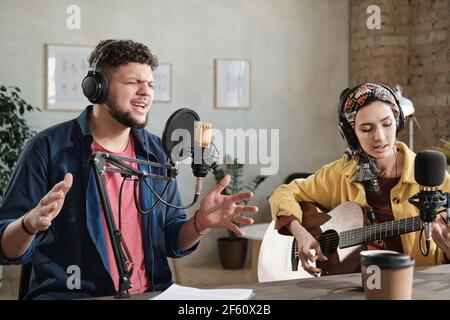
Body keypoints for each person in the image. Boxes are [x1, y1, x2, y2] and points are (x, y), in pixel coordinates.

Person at [0, 39, 258, 299]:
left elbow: (172, 240)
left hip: (151, 294)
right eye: (133, 82)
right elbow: (6, 248)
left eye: (151, 85)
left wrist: (199, 224)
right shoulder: (47, 148)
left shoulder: (158, 152)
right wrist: (28, 225)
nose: (146, 92)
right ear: (97, 88)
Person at [269, 82, 450, 276]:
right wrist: (300, 232)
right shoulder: (338, 174)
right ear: (351, 133)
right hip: (350, 287)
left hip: (415, 285)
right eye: (366, 129)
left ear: (398, 122)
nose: (379, 137)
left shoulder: (430, 175)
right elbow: (284, 193)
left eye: (387, 124)